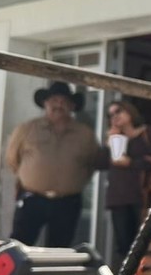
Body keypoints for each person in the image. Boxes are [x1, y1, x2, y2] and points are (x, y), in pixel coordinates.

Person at [6, 81, 110, 248]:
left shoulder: (85, 134)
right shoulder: (27, 129)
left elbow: (94, 162)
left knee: (59, 249)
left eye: (64, 101)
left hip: (67, 203)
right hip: (32, 199)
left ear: (72, 106)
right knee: (18, 247)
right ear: (45, 103)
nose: (58, 105)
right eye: (54, 100)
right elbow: (13, 159)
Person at [105, 100, 151, 263]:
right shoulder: (115, 138)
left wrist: (132, 163)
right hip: (119, 198)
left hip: (143, 197)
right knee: (123, 246)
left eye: (118, 111)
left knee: (144, 245)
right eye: (110, 115)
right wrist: (108, 143)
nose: (115, 116)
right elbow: (100, 163)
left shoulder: (147, 133)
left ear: (129, 111)